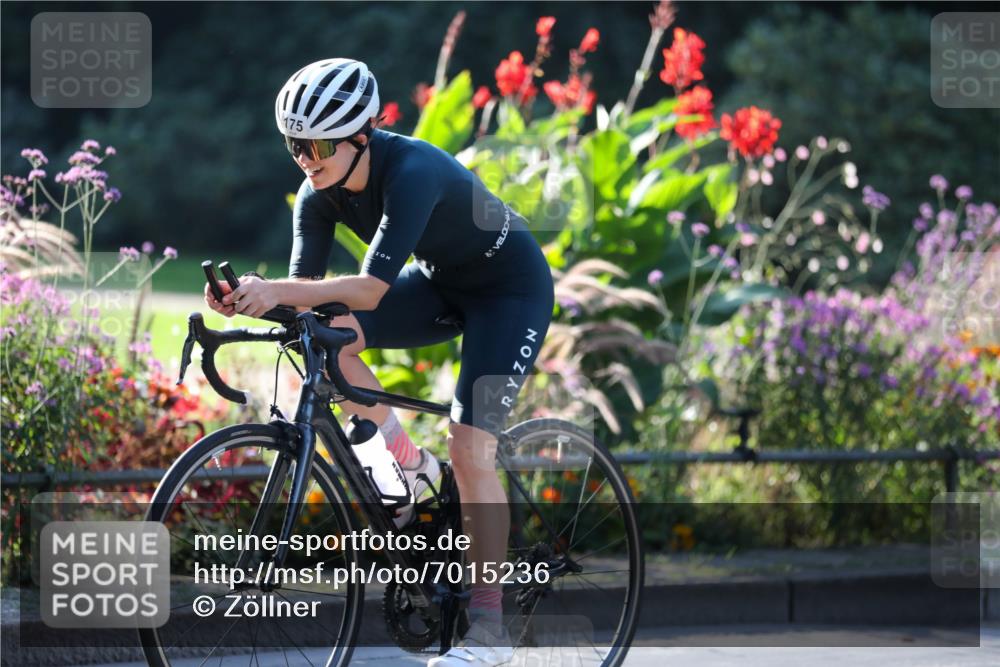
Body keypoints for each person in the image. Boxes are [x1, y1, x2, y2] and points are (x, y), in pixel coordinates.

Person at [204, 58, 553, 666]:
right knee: (324, 332)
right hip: (442, 283)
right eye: (293, 146)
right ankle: (409, 464)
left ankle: (491, 632)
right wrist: (246, 301)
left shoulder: (412, 169)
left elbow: (368, 290)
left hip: (510, 290)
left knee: (470, 449)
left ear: (360, 136)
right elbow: (304, 299)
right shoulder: (315, 199)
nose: (305, 160)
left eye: (315, 145)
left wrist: (280, 290)